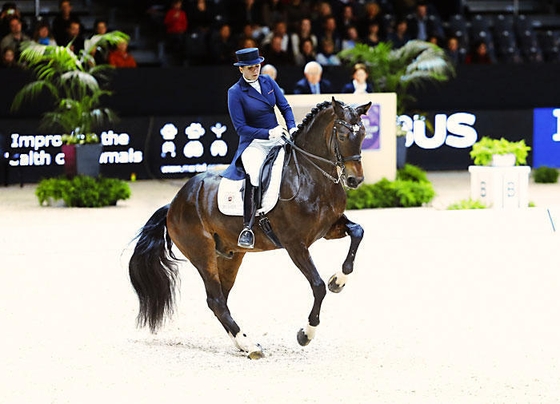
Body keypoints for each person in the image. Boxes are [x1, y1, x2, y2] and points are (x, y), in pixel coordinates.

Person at [222, 48, 297, 248]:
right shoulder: (235, 92)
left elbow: (285, 107)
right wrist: (267, 133)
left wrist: (292, 127)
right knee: (254, 174)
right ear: (241, 70)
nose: (255, 71)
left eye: (257, 66)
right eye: (250, 68)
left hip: (277, 136)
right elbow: (241, 128)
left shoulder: (268, 82)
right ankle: (248, 226)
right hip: (254, 143)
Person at [163, 0, 187, 66]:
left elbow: (184, 23)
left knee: (181, 41)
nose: (178, 6)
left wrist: (183, 29)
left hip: (180, 33)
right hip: (172, 33)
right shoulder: (170, 13)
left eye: (180, 4)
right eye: (177, 4)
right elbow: (166, 23)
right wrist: (174, 18)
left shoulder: (182, 13)